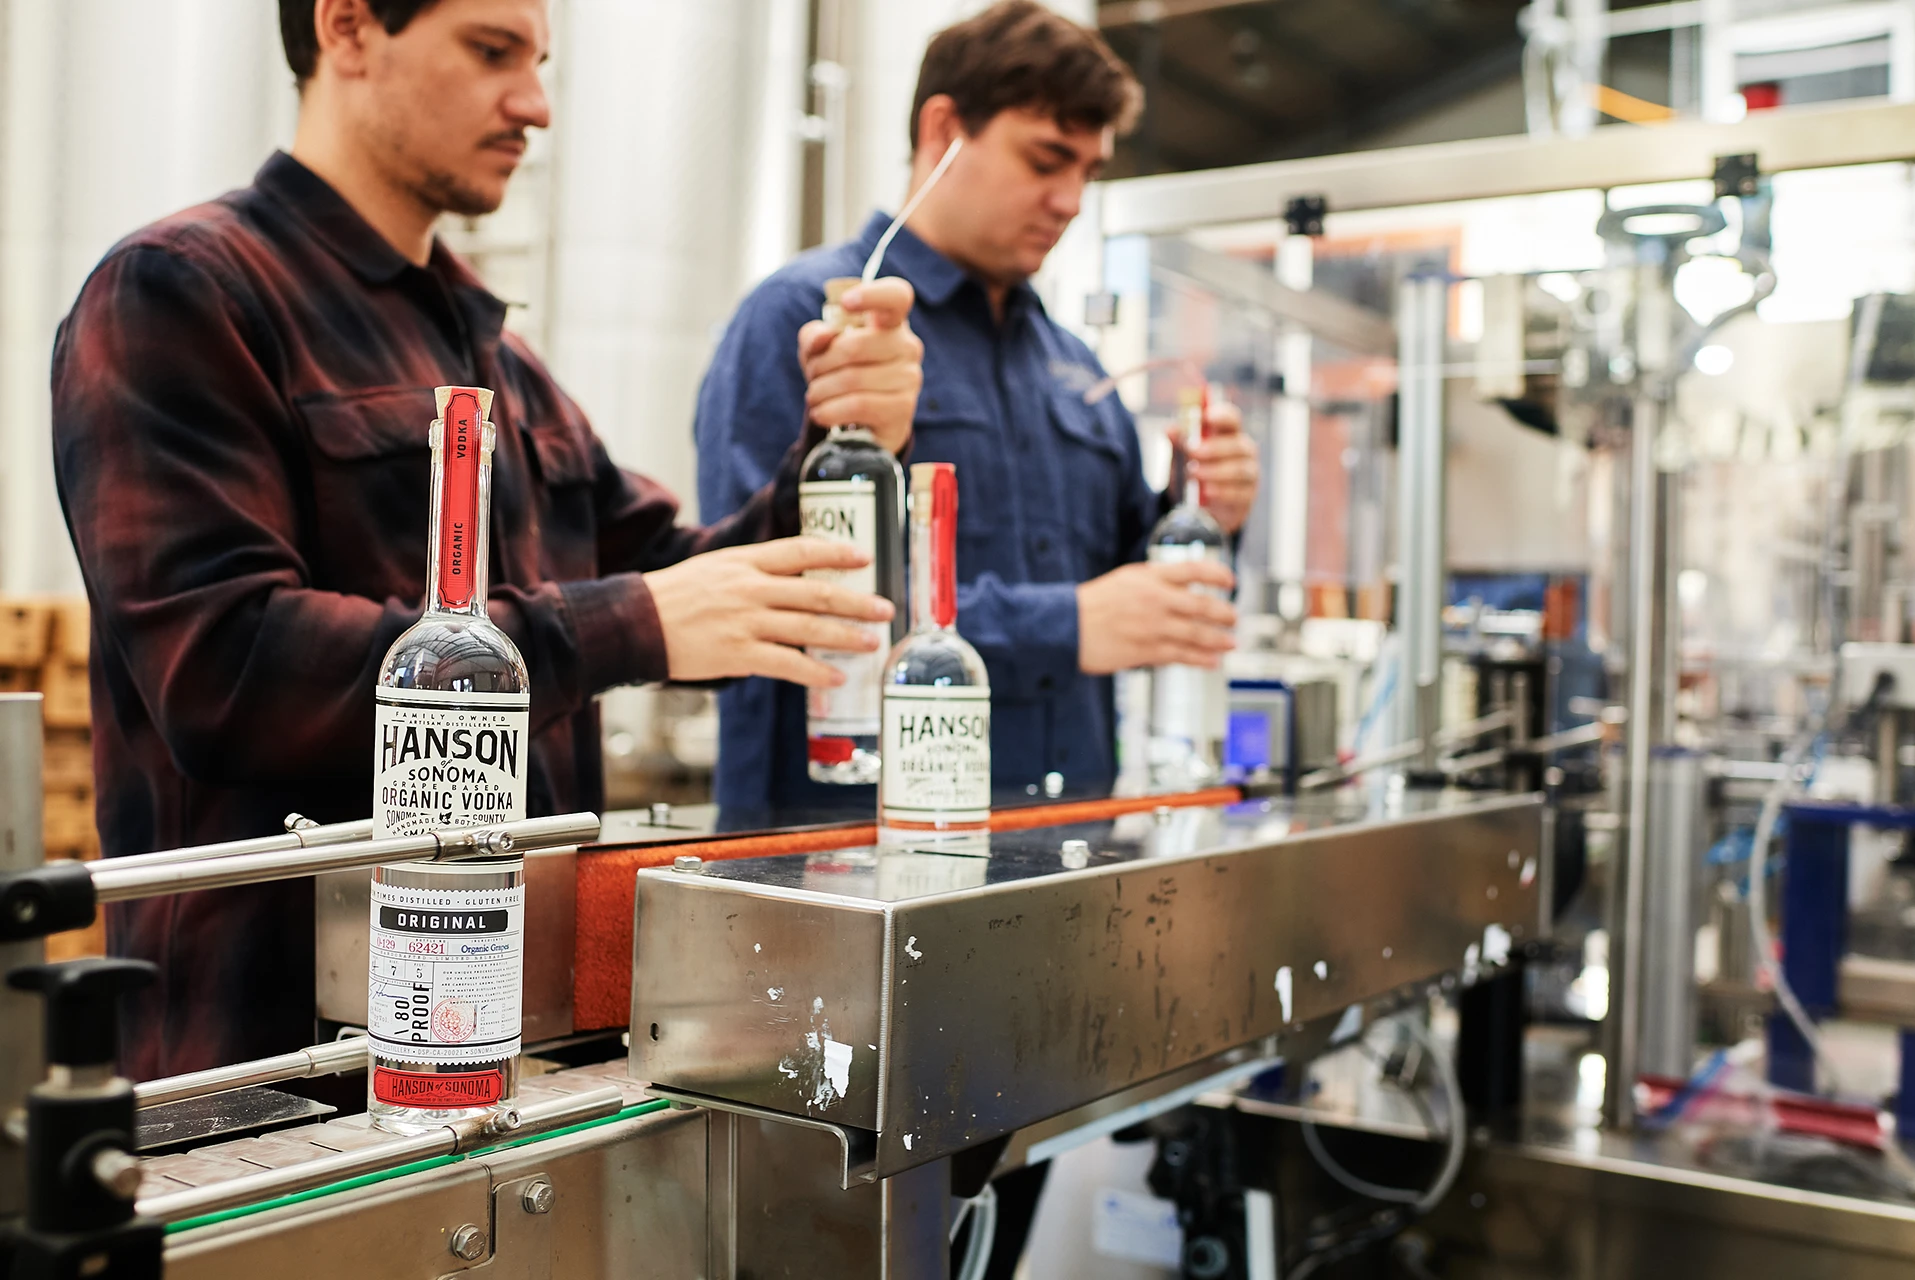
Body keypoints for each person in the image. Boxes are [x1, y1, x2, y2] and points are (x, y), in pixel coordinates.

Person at [50, 0, 923, 1078]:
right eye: (492, 50)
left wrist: (839, 445)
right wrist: (623, 625)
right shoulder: (181, 293)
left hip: (513, 1041)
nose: (537, 105)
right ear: (349, 29)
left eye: (541, 62)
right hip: (274, 1073)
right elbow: (225, 671)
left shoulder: (501, 358)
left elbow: (684, 577)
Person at [696, 0, 1260, 814]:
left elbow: (1127, 587)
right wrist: (1070, 626)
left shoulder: (1074, 366)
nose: (1070, 199)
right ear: (942, 130)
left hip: (1063, 849)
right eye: (1046, 159)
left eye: (1088, 172)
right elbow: (768, 600)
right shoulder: (808, 320)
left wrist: (1204, 511)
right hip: (842, 856)